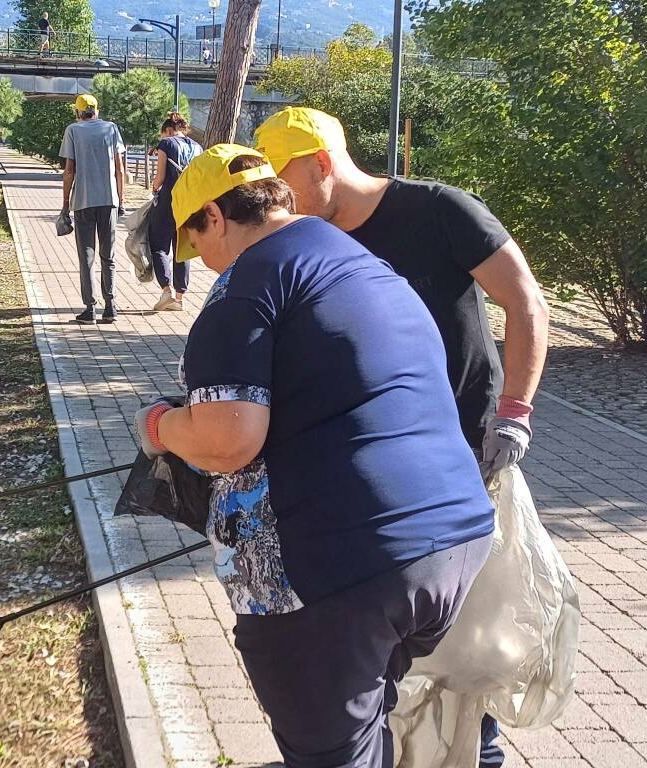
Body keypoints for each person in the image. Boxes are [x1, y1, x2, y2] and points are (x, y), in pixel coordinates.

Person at [132, 144, 495, 768]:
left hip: (338, 573)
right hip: (453, 544)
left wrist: (161, 426)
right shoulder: (367, 266)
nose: (208, 267)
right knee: (360, 723)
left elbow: (228, 438)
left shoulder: (247, 286)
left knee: (332, 752)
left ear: (214, 218)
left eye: (200, 246)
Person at [254, 106, 550, 767]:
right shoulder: (304, 242)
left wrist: (514, 414)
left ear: (323, 165)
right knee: (378, 644)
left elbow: (525, 300)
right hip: (367, 471)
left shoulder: (439, 212)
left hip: (466, 463)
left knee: (464, 649)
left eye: (283, 186)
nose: (276, 205)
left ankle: (481, 755)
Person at [59, 94, 126, 324]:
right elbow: (119, 169)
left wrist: (65, 205)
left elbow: (69, 171)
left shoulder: (74, 131)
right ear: (96, 110)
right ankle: (111, 306)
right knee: (109, 256)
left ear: (78, 112)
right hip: (109, 200)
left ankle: (90, 309)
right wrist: (121, 200)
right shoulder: (111, 129)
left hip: (83, 201)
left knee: (86, 256)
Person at [148, 112, 202, 311]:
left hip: (167, 203)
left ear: (168, 130)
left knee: (159, 246)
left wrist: (153, 188)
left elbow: (160, 178)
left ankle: (166, 290)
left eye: (163, 134)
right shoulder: (197, 147)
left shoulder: (167, 144)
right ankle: (180, 298)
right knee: (182, 249)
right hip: (188, 205)